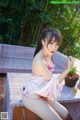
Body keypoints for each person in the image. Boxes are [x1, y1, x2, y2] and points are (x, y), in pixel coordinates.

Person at [22, 28, 75, 120]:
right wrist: (68, 69)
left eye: (56, 44)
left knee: (64, 113)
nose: (54, 48)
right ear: (43, 41)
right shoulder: (40, 60)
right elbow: (54, 81)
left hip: (42, 92)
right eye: (51, 43)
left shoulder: (47, 53)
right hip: (32, 96)